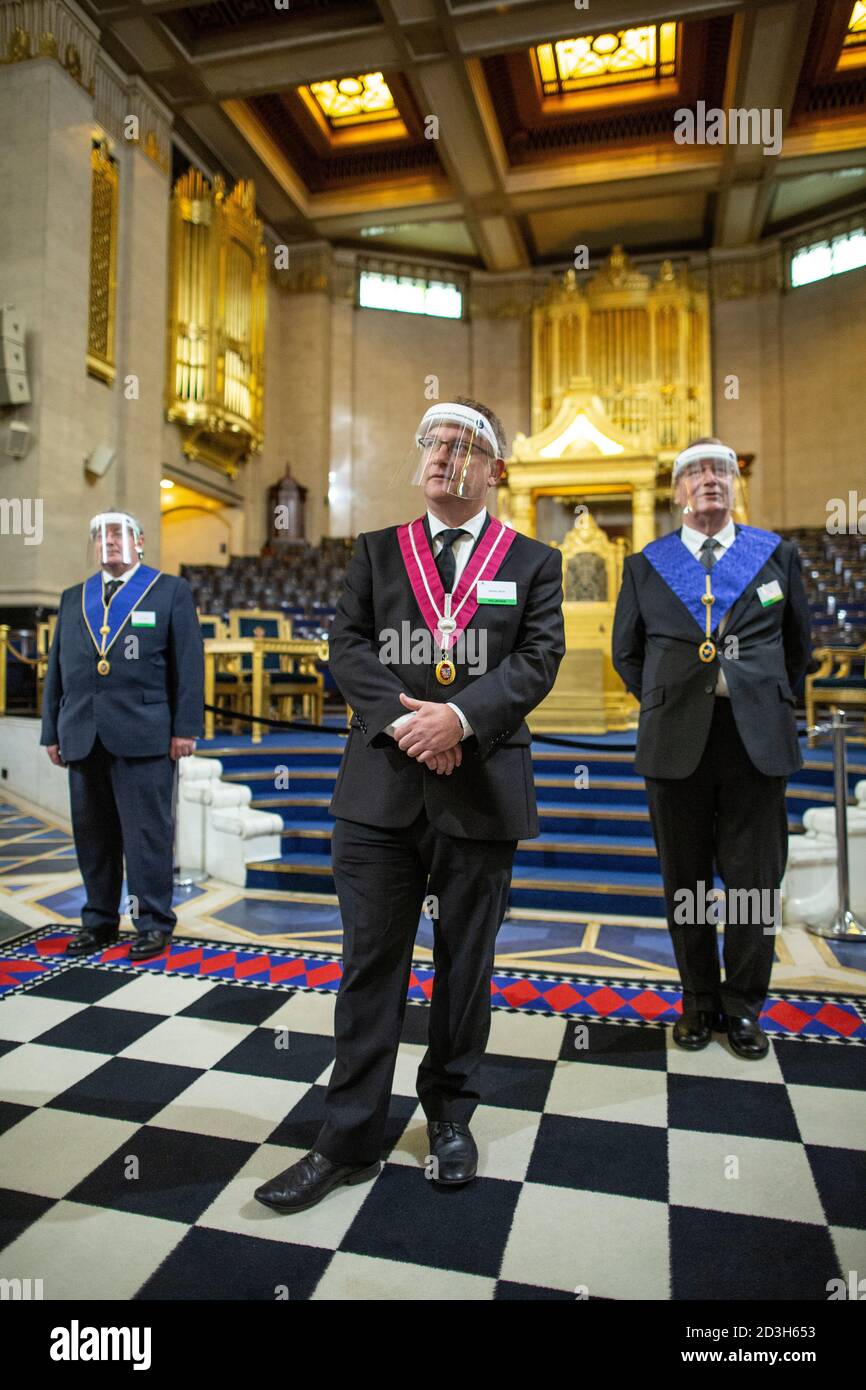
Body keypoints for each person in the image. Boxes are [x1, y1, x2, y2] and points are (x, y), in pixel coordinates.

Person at [255, 397, 565, 1213]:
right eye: (431, 440)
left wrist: (461, 718)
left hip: (483, 789)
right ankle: (348, 1135)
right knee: (369, 972)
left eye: (463, 445)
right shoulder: (375, 553)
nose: (442, 454)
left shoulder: (533, 562)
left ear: (495, 469)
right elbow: (346, 648)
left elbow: (537, 661)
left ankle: (451, 1118)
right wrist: (410, 723)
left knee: (465, 971)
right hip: (380, 795)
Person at [612, 438, 811, 1058]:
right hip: (677, 744)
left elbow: (798, 648)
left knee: (754, 882)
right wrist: (673, 699)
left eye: (721, 470)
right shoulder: (648, 563)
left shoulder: (776, 555)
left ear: (735, 483)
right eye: (695, 472)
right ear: (676, 491)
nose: (710, 480)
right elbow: (628, 653)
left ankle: (745, 1006)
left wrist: (755, 696)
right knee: (686, 881)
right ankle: (698, 1002)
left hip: (755, 741)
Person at [40, 511, 205, 961]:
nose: (108, 542)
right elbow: (57, 668)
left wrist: (185, 728)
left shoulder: (169, 590)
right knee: (92, 836)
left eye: (118, 534)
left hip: (147, 735)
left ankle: (153, 923)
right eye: (100, 535)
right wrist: (50, 730)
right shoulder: (74, 597)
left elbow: (188, 664)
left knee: (147, 836)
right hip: (82, 733)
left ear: (141, 541)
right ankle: (99, 920)